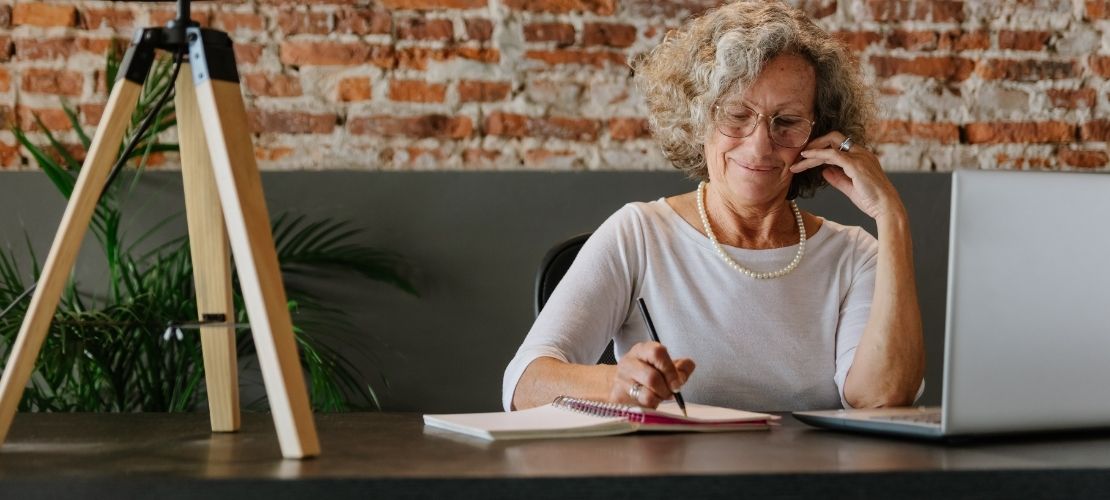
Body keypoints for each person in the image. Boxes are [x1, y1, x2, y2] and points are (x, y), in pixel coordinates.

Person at [503, 1, 924, 412]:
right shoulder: (639, 234)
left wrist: (893, 218)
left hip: (810, 483)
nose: (760, 144)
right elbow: (524, 383)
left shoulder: (854, 256)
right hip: (674, 480)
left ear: (820, 136)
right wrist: (617, 382)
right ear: (698, 118)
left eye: (788, 121)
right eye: (737, 114)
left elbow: (881, 396)